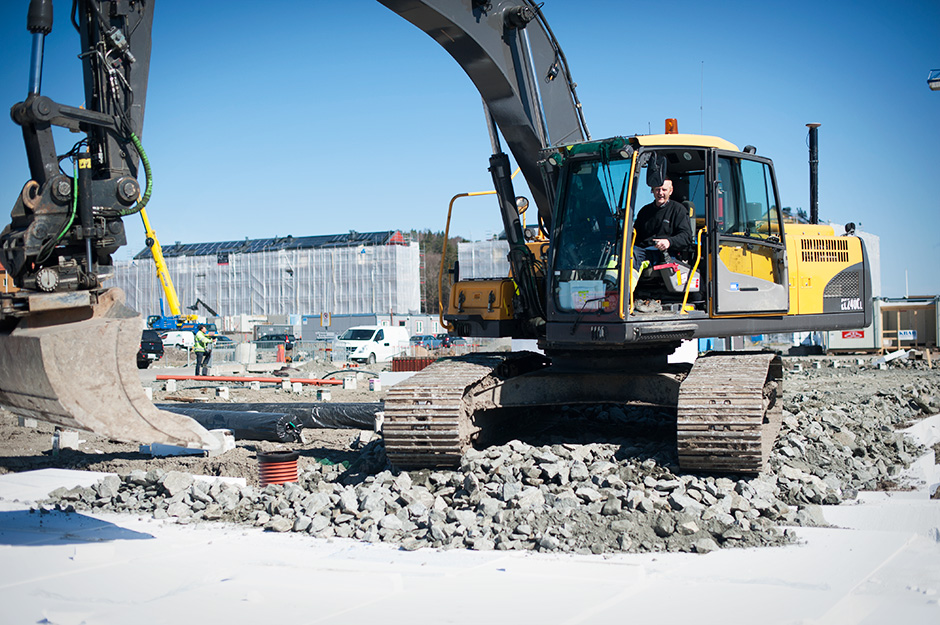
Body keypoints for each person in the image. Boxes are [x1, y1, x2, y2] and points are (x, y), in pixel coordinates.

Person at [632, 179, 693, 271]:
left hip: (666, 254)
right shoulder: (645, 211)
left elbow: (686, 237)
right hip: (643, 251)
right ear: (652, 190)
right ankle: (612, 283)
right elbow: (635, 235)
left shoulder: (678, 210)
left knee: (633, 258)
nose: (660, 193)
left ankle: (625, 284)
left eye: (664, 190)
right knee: (622, 256)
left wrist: (668, 242)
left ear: (671, 191)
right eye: (657, 189)